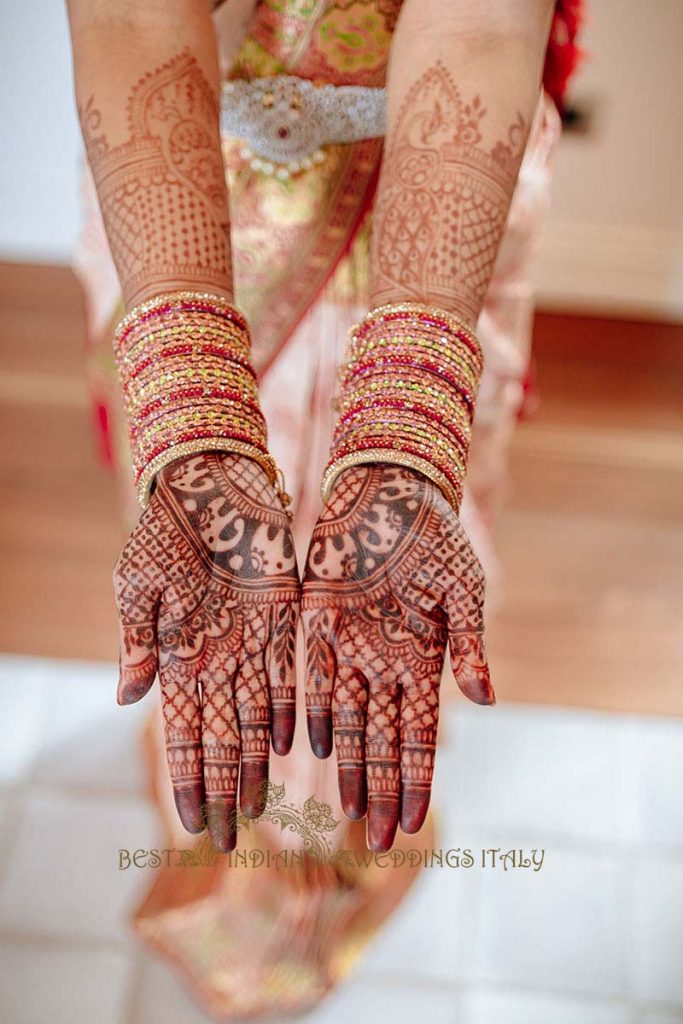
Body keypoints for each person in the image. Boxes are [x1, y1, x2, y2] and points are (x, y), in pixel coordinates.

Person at [68, 0, 581, 1017]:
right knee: (193, 561)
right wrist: (196, 423)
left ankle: (323, 854)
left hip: (433, 197)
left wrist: (402, 429)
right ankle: (231, 835)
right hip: (180, 181)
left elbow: (479, 27)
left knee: (391, 588)